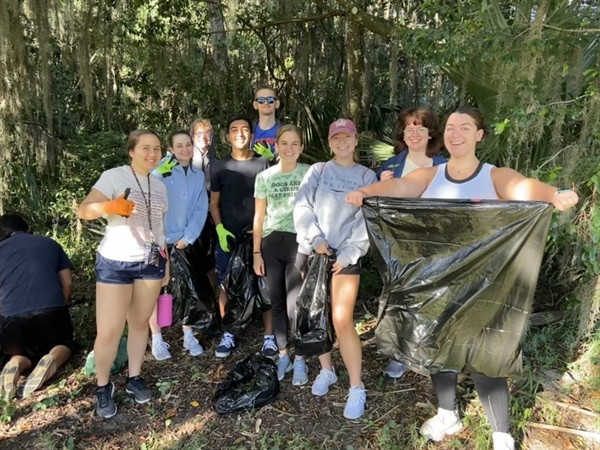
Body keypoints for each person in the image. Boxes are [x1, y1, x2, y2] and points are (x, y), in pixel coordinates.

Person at [346, 106, 579, 450]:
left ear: (479, 135)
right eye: (451, 128)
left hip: (486, 287)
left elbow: (525, 187)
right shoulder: (431, 175)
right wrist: (366, 193)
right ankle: (447, 413)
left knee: (487, 354)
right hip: (438, 285)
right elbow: (400, 186)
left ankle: (501, 433)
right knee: (441, 349)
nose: (456, 134)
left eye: (465, 128)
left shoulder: (493, 175)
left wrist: (553, 194)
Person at [77, 129, 169, 419]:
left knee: (140, 324)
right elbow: (84, 210)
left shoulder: (160, 184)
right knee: (109, 332)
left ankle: (134, 377)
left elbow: (159, 228)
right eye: (145, 148)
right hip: (116, 262)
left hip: (151, 263)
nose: (152, 153)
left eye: (156, 148)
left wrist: (165, 264)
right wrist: (110, 206)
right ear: (132, 151)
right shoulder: (114, 176)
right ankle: (103, 387)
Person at [294, 118, 378, 420]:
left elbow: (368, 216)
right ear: (330, 142)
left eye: (347, 137)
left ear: (356, 141)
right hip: (317, 254)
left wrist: (351, 252)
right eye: (336, 138)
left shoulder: (368, 175)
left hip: (346, 258)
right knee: (317, 314)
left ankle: (357, 386)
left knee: (342, 319)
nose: (342, 142)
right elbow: (302, 207)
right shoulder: (319, 171)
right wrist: (315, 240)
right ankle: (327, 370)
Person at [378, 107, 447, 379]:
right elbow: (375, 206)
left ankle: (429, 352)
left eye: (421, 128)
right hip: (399, 243)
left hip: (435, 242)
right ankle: (400, 354)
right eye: (409, 128)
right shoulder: (391, 165)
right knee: (401, 297)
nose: (415, 133)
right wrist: (382, 186)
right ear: (402, 134)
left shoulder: (444, 165)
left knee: (434, 297)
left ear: (430, 133)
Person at [252, 124, 310, 384]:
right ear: (276, 147)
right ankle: (283, 354)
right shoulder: (265, 177)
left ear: (301, 147)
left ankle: (300, 359)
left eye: (294, 143)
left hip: (298, 242)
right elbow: (259, 215)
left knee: (294, 304)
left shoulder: (309, 173)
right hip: (270, 243)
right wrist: (256, 252)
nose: (289, 148)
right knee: (276, 302)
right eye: (284, 143)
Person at [211, 116, 272, 358]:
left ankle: (269, 338)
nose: (240, 133)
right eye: (234, 129)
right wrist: (219, 228)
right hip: (228, 235)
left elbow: (269, 200)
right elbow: (214, 203)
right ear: (227, 136)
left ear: (251, 135)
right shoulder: (219, 166)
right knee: (225, 283)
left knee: (264, 283)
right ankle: (229, 332)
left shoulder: (263, 163)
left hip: (259, 236)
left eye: (245, 129)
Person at [0, 214, 75, 402]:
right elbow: (67, 282)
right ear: (27, 228)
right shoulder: (49, 243)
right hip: (50, 311)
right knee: (63, 344)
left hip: (11, 318)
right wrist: (60, 304)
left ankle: (14, 365)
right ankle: (52, 359)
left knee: (18, 351)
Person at [149, 130, 208, 360]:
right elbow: (147, 200)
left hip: (183, 241)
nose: (184, 149)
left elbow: (200, 208)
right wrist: (155, 175)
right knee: (153, 289)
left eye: (188, 145)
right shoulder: (159, 171)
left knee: (186, 287)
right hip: (157, 242)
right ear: (170, 149)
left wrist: (189, 236)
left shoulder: (197, 175)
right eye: (179, 146)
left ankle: (188, 333)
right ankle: (157, 338)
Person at [251, 86, 281, 162]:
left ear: (277, 104)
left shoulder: (286, 130)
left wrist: (272, 157)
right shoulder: (247, 130)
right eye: (261, 100)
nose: (266, 103)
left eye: (270, 100)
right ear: (255, 105)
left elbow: (291, 161)